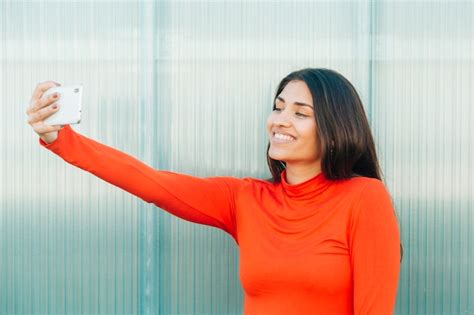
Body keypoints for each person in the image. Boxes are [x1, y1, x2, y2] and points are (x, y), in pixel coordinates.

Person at [26, 68, 401, 314]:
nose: (280, 121)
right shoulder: (244, 199)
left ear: (336, 128)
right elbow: (150, 182)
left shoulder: (364, 199)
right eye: (278, 107)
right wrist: (60, 138)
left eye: (300, 113)